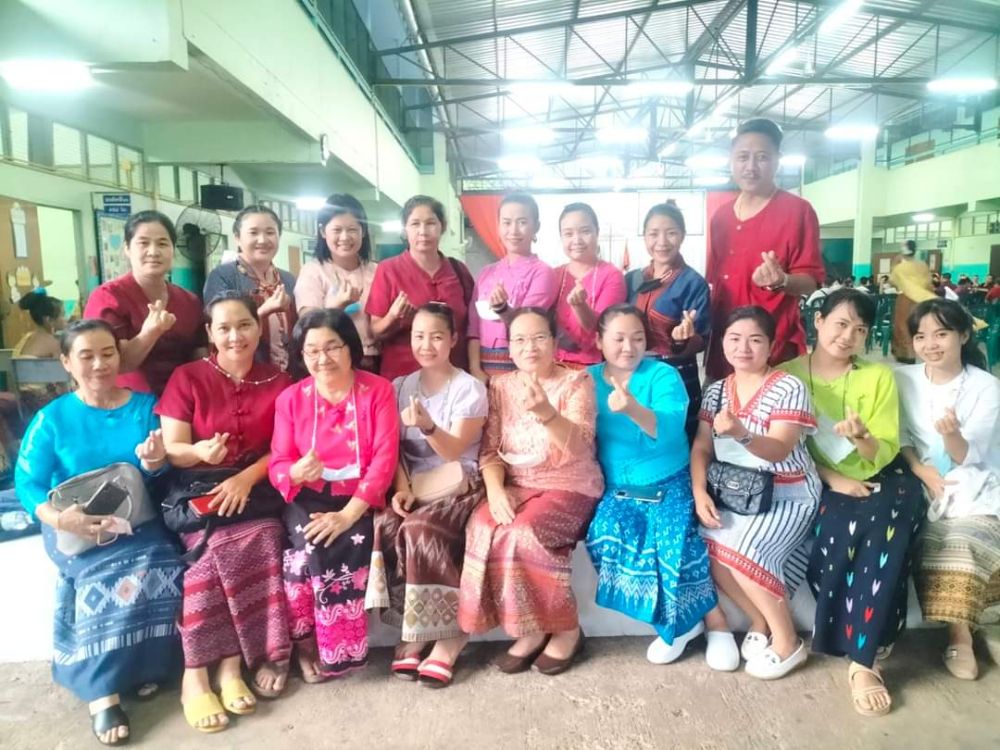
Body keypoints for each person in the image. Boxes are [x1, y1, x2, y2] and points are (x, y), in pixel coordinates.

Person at [14, 319, 183, 746]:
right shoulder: (52, 419)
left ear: (119, 357)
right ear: (66, 362)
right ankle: (102, 693)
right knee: (100, 573)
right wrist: (59, 519)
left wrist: (154, 462)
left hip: (137, 518)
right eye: (86, 356)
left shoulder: (145, 407)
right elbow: (28, 482)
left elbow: (159, 476)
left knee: (161, 558)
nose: (98, 364)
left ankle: (143, 667)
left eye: (107, 353)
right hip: (73, 524)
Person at [782, 289, 925, 716]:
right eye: (841, 324)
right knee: (839, 529)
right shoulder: (787, 376)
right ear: (819, 321)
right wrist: (833, 478)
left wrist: (862, 438)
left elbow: (883, 450)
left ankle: (862, 663)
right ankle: (867, 636)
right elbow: (784, 447)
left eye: (860, 330)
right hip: (820, 478)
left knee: (888, 525)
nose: (848, 336)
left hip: (884, 474)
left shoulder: (877, 376)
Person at [156, 293, 292, 733]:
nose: (236, 336)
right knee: (210, 553)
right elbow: (173, 449)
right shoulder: (187, 377)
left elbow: (284, 449)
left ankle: (232, 667)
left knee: (265, 537)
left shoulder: (279, 381)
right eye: (224, 328)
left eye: (244, 325)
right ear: (210, 333)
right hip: (197, 487)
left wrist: (244, 480)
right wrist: (198, 451)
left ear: (259, 327)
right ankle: (196, 675)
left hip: (256, 486)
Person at [458, 307, 602, 675]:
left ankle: (567, 629)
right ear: (508, 347)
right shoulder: (501, 387)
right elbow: (490, 451)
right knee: (482, 525)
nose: (530, 347)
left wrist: (547, 413)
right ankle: (532, 629)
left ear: (554, 342)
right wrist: (495, 491)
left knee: (522, 532)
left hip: (571, 484)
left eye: (539, 338)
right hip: (518, 483)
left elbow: (580, 445)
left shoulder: (577, 381)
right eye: (519, 340)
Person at [584, 305, 727, 669]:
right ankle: (681, 626)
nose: (628, 347)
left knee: (674, 539)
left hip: (669, 478)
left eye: (637, 338)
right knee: (604, 533)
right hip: (617, 487)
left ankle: (717, 626)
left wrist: (632, 408)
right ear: (599, 341)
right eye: (618, 338)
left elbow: (669, 429)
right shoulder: (585, 380)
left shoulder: (663, 375)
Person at [691, 306, 820, 679]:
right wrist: (699, 492)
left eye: (754, 340)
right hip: (737, 493)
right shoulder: (717, 391)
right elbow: (702, 446)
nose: (743, 348)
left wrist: (741, 434)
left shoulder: (788, 387)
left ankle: (788, 642)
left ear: (771, 345)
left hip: (789, 494)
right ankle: (758, 619)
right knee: (708, 544)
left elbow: (779, 449)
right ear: (723, 343)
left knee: (746, 550)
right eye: (734, 338)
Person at [269, 310, 399, 681]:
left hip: (358, 499)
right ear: (301, 354)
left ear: (350, 348)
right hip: (306, 497)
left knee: (343, 541)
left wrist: (347, 515)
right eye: (312, 351)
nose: (322, 358)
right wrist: (296, 472)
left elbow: (385, 460)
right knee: (305, 551)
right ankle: (308, 645)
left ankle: (336, 650)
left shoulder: (378, 390)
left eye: (332, 347)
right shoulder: (291, 399)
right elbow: (278, 462)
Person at [367, 303, 488, 687]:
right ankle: (416, 625)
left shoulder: (469, 389)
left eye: (437, 336)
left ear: (453, 339)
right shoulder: (399, 387)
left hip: (460, 485)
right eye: (419, 336)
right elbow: (391, 449)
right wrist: (402, 490)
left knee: (421, 529)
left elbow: (454, 451)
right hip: (417, 485)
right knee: (386, 522)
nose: (426, 344)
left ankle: (452, 634)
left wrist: (428, 426)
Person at [896, 299, 1000, 681]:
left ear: (964, 335)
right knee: (923, 534)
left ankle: (963, 634)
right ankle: (968, 629)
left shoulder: (986, 387)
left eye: (941, 334)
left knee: (964, 538)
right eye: (921, 336)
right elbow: (901, 437)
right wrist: (920, 469)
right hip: (923, 480)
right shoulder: (903, 379)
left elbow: (968, 454)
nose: (930, 344)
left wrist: (951, 433)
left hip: (975, 480)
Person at [705, 118, 824, 380]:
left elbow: (811, 281)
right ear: (731, 160)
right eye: (743, 157)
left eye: (762, 157)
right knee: (718, 406)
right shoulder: (720, 217)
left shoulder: (797, 212)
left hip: (774, 348)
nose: (750, 167)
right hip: (726, 349)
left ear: (777, 160)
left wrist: (782, 281)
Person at [84, 210, 206, 395]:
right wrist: (150, 333)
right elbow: (116, 363)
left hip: (183, 399)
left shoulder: (189, 300)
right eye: (143, 243)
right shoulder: (108, 297)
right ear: (127, 248)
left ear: (173, 249)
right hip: (129, 403)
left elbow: (199, 353)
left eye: (162, 243)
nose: (153, 252)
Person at [627, 201, 710, 440]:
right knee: (636, 434)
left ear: (682, 235)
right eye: (653, 234)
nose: (662, 242)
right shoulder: (631, 279)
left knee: (676, 436)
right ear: (644, 236)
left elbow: (702, 339)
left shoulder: (693, 283)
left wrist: (685, 338)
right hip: (635, 373)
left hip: (676, 376)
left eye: (671, 233)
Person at [366, 196, 474, 380]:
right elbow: (375, 331)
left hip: (455, 380)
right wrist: (393, 317)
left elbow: (473, 327)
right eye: (415, 224)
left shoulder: (458, 270)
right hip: (403, 379)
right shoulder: (388, 270)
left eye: (430, 223)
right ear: (405, 229)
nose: (423, 231)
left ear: (442, 226)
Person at [467, 193, 557, 381]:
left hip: (524, 366)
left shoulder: (543, 273)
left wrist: (503, 309)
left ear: (536, 227)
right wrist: (475, 368)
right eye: (506, 222)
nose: (513, 230)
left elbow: (528, 324)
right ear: (498, 226)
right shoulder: (486, 273)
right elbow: (473, 327)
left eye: (522, 222)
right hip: (482, 368)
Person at [203, 205, 296, 370]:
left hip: (288, 374)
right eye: (253, 233)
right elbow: (222, 329)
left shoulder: (288, 279)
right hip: (242, 371)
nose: (263, 240)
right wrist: (264, 311)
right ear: (237, 238)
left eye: (270, 232)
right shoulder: (223, 276)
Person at [294, 194, 379, 371]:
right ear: (323, 231)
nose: (345, 237)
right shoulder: (313, 271)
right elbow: (307, 324)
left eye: (352, 229)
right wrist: (336, 306)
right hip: (331, 362)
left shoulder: (377, 271)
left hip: (376, 361)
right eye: (337, 230)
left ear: (363, 231)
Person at [553, 202, 627, 368]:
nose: (577, 240)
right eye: (568, 234)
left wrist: (580, 306)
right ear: (561, 237)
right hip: (553, 365)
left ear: (597, 232)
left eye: (585, 231)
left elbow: (604, 328)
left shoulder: (612, 275)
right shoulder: (553, 275)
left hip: (595, 367)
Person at [889, 239, 935, 364]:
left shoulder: (900, 266)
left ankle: (908, 354)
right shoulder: (923, 265)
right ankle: (921, 351)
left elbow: (893, 282)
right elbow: (929, 283)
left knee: (903, 325)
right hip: (922, 299)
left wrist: (894, 265)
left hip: (905, 298)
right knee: (918, 325)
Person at [13, 289, 64, 357]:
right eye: (62, 315)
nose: (66, 319)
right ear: (49, 320)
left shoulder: (26, 338)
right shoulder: (53, 344)